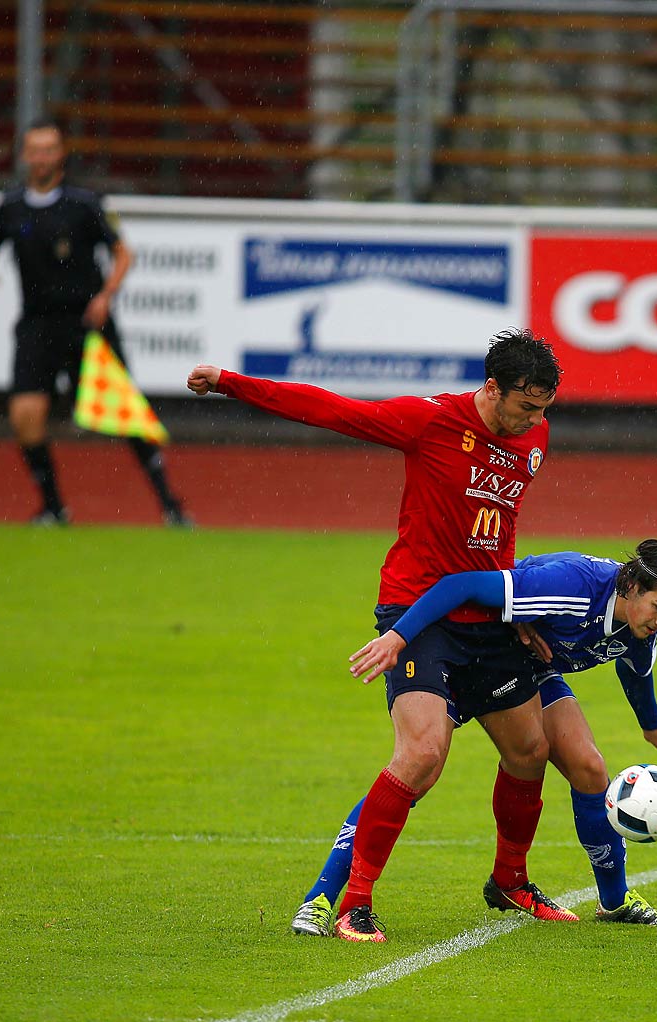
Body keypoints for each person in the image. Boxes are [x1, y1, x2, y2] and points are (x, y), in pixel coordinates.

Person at [186, 331, 565, 944]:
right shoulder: (430, 421)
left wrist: (514, 603)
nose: (535, 420)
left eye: (544, 408)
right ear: (491, 388)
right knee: (422, 755)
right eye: (526, 406)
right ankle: (352, 903)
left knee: (530, 751)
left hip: (488, 616)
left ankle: (510, 882)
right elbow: (330, 409)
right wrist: (232, 382)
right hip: (418, 612)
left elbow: (501, 529)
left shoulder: (535, 439)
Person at [332, 540, 657, 926]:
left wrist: (654, 731)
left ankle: (614, 902)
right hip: (475, 652)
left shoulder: (640, 625)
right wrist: (399, 635)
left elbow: (635, 670)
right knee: (418, 768)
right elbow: (463, 586)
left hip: (529, 669)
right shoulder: (574, 585)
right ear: (632, 587)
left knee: (589, 766)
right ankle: (324, 895)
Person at [0, 118, 188, 528]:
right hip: (37, 323)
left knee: (126, 413)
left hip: (86, 324)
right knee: (25, 413)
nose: (41, 158)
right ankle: (53, 507)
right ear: (24, 156)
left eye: (49, 149)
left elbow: (123, 253)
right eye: (34, 150)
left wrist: (106, 295)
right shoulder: (11, 206)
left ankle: (170, 504)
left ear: (61, 154)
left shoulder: (85, 203)